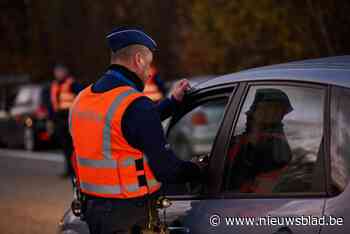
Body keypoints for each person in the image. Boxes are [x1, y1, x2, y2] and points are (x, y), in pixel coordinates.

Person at [69, 26, 206, 234]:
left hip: (92, 212)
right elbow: (166, 169)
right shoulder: (135, 105)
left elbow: (123, 126)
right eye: (148, 64)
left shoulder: (82, 100)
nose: (149, 73)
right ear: (138, 59)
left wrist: (172, 102)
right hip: (128, 216)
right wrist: (197, 168)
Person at [227, 88, 293, 193]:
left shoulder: (274, 144)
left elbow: (241, 177)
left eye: (275, 109)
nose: (269, 112)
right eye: (262, 108)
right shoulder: (243, 138)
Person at [50, 63, 82, 177]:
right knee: (65, 147)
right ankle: (69, 170)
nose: (58, 74)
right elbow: (52, 104)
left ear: (65, 72)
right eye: (56, 72)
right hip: (59, 119)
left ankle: (75, 171)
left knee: (72, 147)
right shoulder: (55, 85)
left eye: (60, 71)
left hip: (71, 118)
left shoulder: (72, 84)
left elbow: (81, 98)